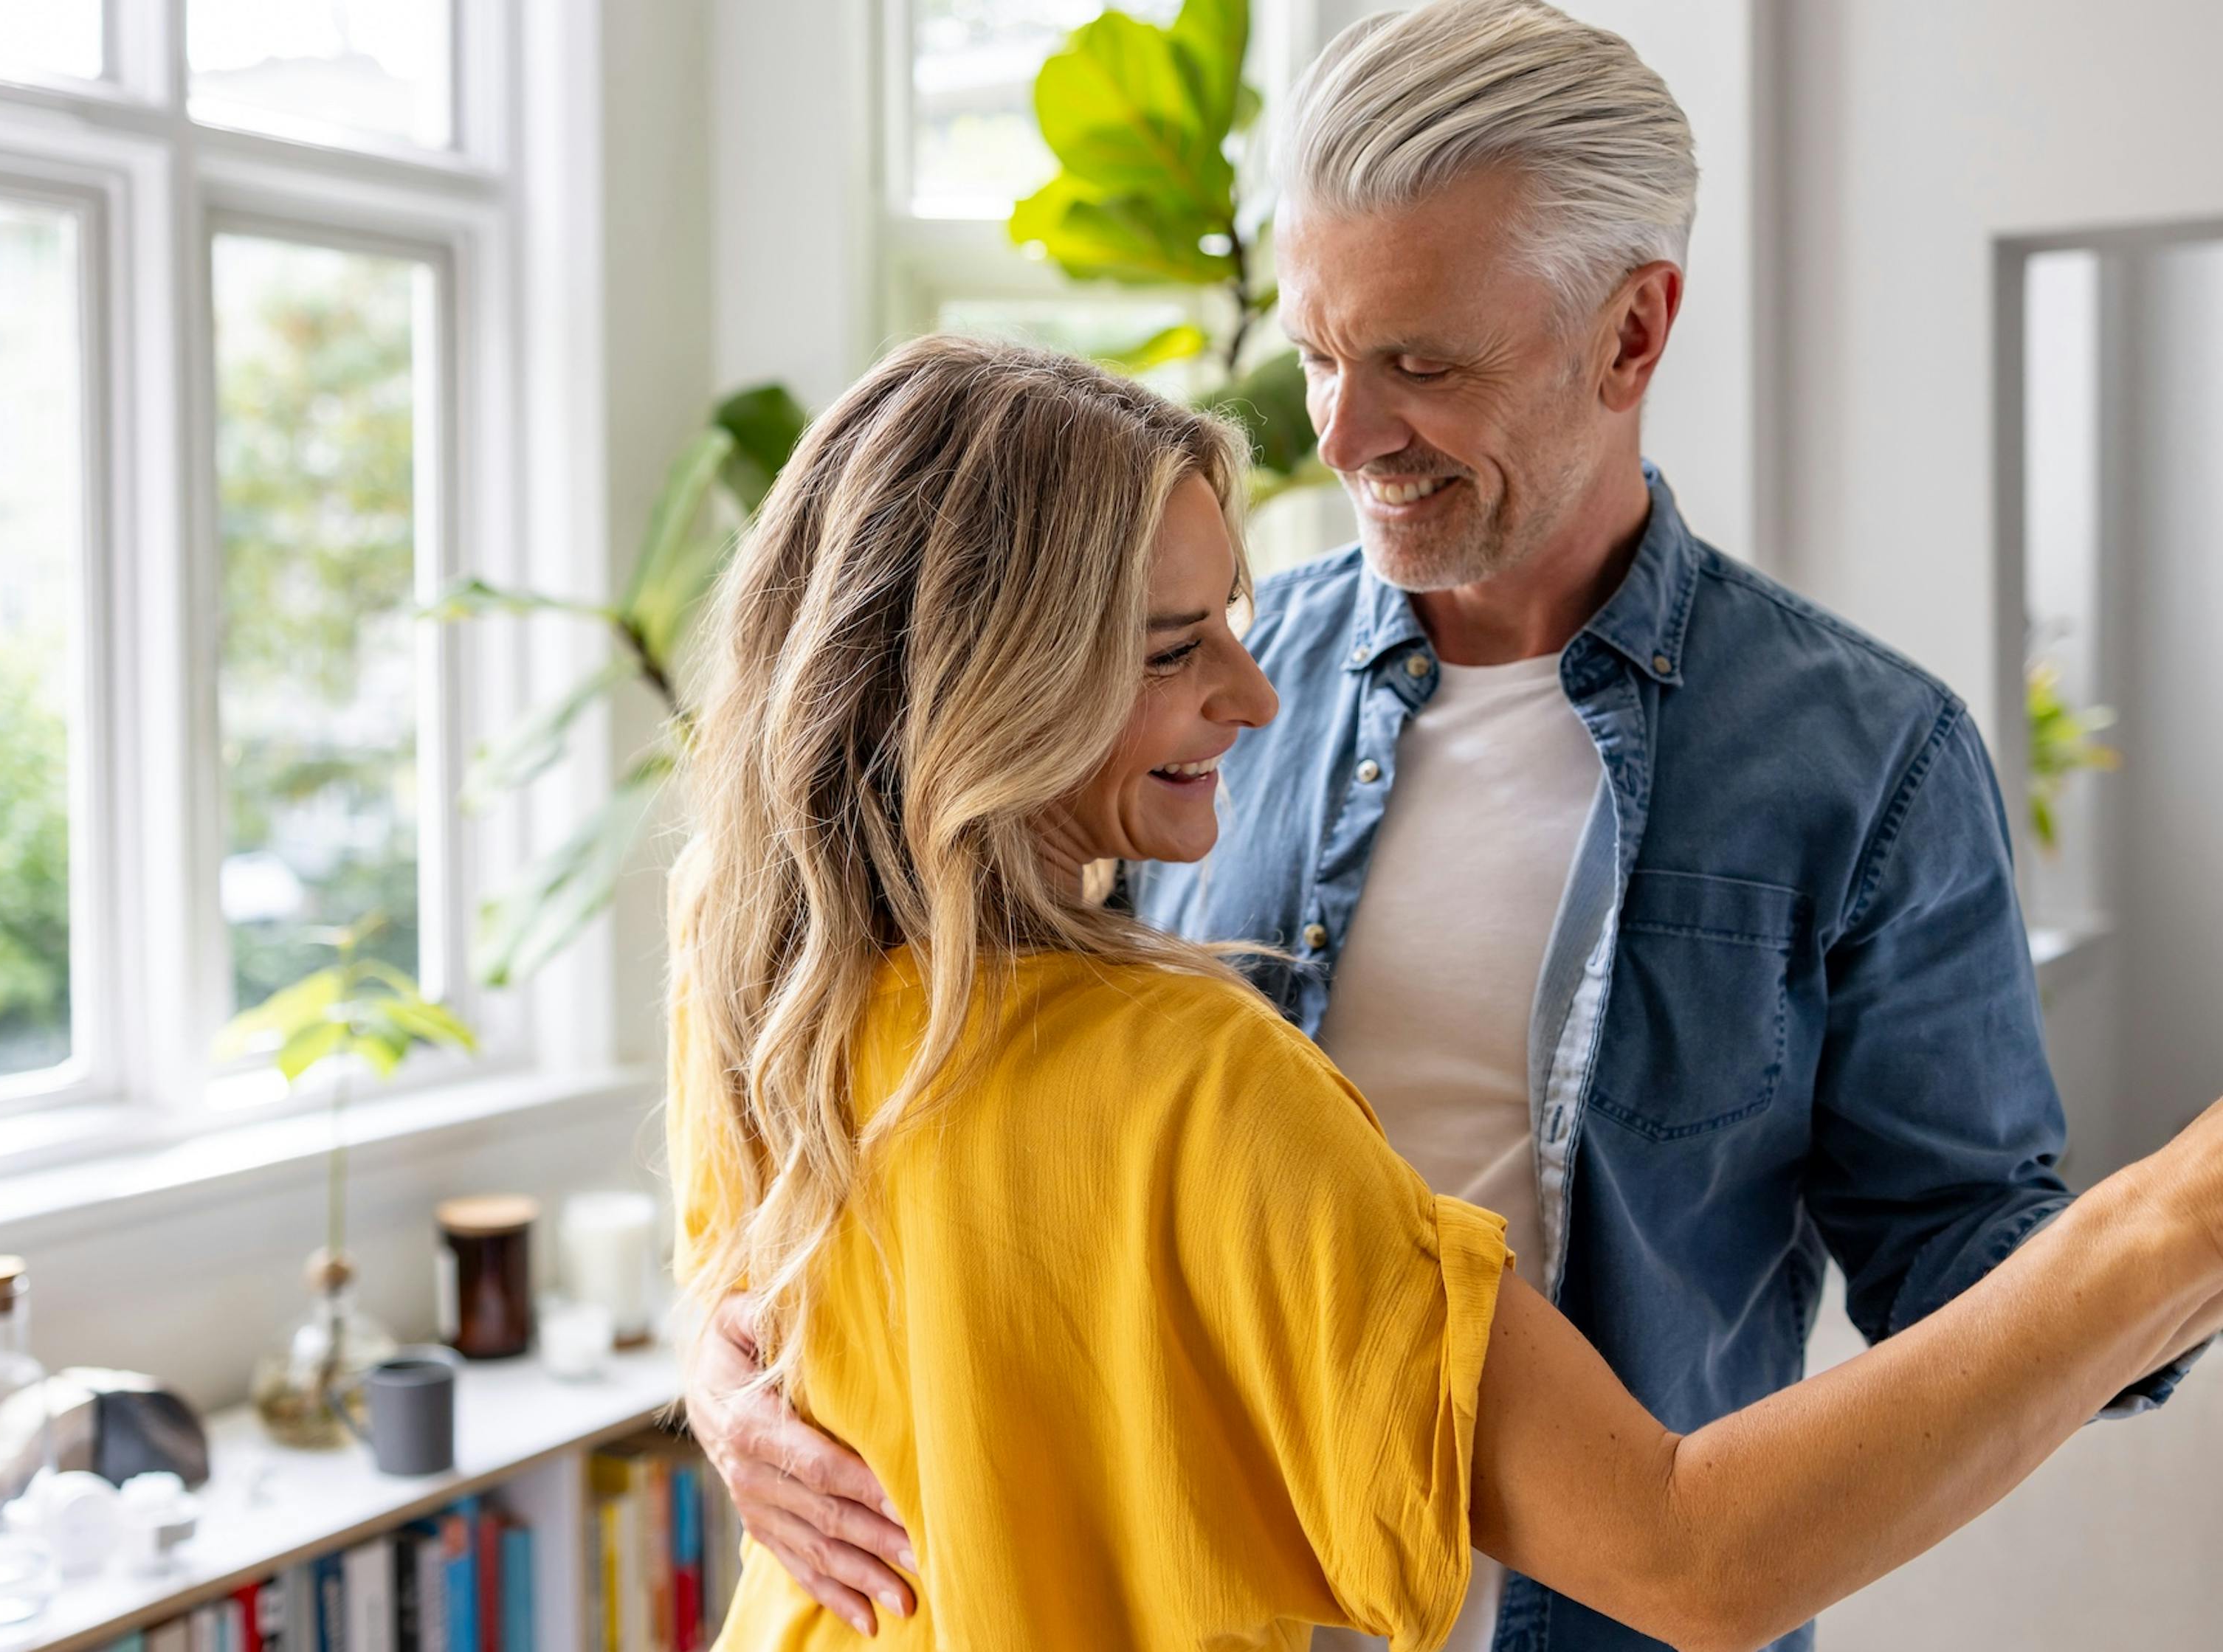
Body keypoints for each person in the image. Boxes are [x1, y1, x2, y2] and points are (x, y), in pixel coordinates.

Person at [681, 6, 2203, 1649]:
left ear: (1632, 333)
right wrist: (730, 1358)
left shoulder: (1867, 760)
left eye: (1422, 365)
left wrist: (2164, 1241)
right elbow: (934, 1097)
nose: (1341, 437)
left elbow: (1954, 1273)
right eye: (1320, 355)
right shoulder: (1161, 701)